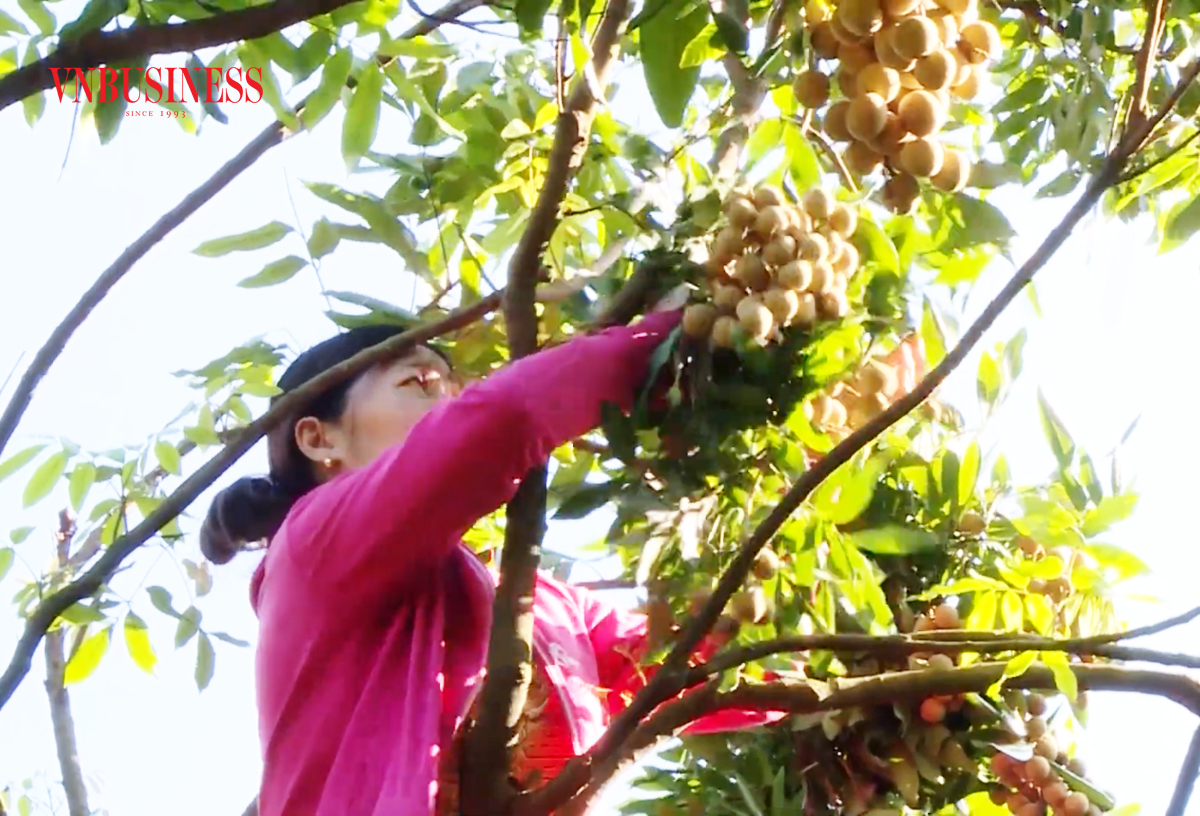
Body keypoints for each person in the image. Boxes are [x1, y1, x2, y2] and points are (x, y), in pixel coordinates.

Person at [199, 304, 785, 816]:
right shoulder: (313, 545)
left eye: (450, 386)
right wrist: (674, 344)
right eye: (417, 384)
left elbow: (688, 661)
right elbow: (496, 423)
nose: (448, 398)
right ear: (319, 439)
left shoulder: (546, 608)